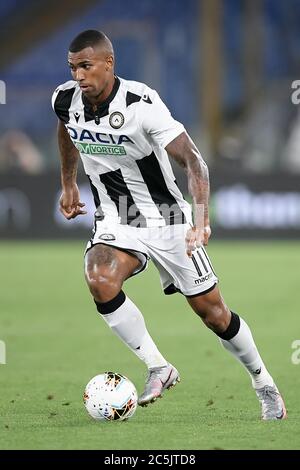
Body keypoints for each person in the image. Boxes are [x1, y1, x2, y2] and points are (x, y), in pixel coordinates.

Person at [52, 29, 286, 420]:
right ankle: (159, 367)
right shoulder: (64, 99)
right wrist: (67, 183)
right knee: (99, 277)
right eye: (73, 67)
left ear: (108, 64)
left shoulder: (142, 104)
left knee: (214, 314)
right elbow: (67, 130)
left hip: (168, 219)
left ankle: (264, 384)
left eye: (86, 66)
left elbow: (194, 160)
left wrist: (202, 220)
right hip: (116, 214)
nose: (78, 75)